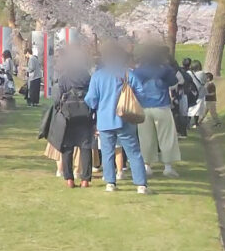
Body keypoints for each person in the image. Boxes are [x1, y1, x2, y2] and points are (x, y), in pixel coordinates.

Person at [84, 43, 148, 194]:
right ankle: (141, 184)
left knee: (107, 152)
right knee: (133, 152)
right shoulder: (128, 74)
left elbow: (91, 99)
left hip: (105, 120)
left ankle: (110, 183)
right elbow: (142, 94)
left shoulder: (98, 76)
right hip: (126, 118)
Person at [46, 50, 95, 188]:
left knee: (67, 148)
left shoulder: (64, 78)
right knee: (85, 147)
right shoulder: (88, 77)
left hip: (68, 117)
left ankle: (69, 179)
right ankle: (85, 180)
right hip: (85, 116)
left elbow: (56, 99)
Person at [134, 46, 182, 178]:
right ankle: (168, 167)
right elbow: (174, 82)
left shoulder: (139, 71)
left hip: (144, 107)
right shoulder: (165, 69)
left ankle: (147, 166)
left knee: (145, 137)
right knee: (166, 137)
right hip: (162, 106)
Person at [187, 60, 208, 127]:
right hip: (200, 94)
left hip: (192, 93)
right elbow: (205, 81)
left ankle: (188, 123)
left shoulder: (189, 73)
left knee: (190, 109)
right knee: (198, 109)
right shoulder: (202, 73)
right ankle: (196, 123)